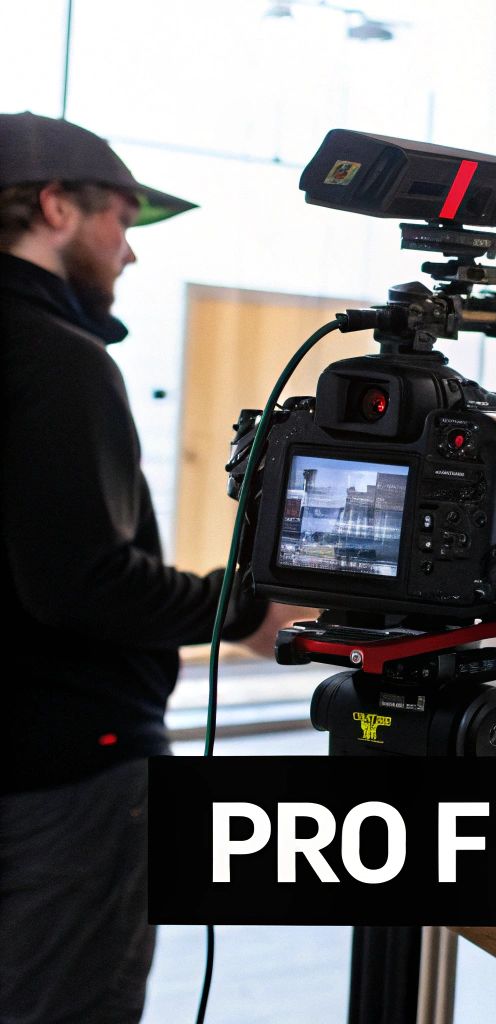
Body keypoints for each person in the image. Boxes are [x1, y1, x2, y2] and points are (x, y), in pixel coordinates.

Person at [0, 112, 305, 1024]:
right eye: (121, 224)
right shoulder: (59, 358)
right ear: (56, 206)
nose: (129, 254)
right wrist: (240, 611)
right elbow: (80, 580)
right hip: (68, 768)